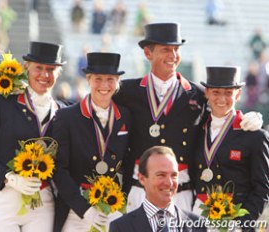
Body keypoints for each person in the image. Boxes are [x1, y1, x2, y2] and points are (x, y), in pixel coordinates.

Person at [113, 22, 263, 213]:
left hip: (181, 194)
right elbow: (97, 107)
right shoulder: (127, 91)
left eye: (176, 49)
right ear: (148, 54)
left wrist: (249, 119)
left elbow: (221, 117)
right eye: (166, 49)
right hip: (139, 191)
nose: (173, 56)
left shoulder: (197, 94)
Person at [0, 41, 67, 232]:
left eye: (51, 69)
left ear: (58, 73)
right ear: (27, 67)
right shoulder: (4, 102)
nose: (44, 75)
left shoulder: (64, 112)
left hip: (42, 202)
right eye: (38, 68)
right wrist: (9, 178)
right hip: (3, 197)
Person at [52, 52, 132, 232]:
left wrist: (122, 200)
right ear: (88, 79)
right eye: (98, 79)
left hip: (112, 207)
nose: (104, 85)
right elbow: (59, 169)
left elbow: (129, 162)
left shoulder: (126, 116)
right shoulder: (67, 117)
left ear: (117, 81)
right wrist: (84, 209)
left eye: (110, 79)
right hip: (76, 208)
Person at [191, 66, 269, 230]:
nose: (222, 99)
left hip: (235, 220)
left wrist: (241, 224)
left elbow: (262, 189)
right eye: (216, 92)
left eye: (228, 93)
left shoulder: (254, 136)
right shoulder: (197, 130)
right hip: (197, 217)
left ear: (238, 94)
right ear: (206, 93)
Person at [109, 146, 206, 232]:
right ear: (142, 178)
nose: (169, 183)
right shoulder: (120, 227)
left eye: (174, 175)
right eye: (161, 175)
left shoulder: (198, 225)